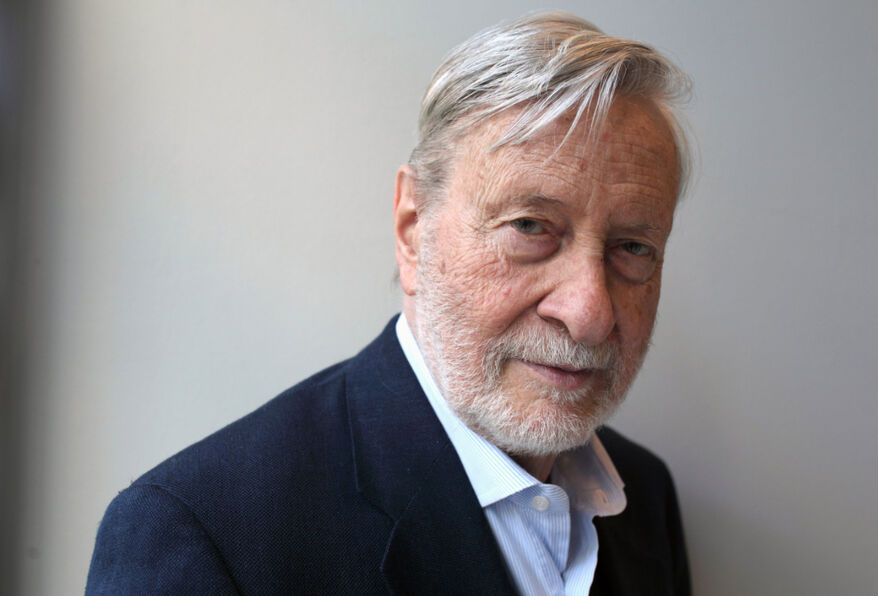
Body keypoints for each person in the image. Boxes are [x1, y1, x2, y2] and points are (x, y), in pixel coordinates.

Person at [87, 11, 692, 595]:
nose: (589, 314)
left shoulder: (644, 497)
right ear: (412, 228)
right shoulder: (203, 535)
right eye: (530, 226)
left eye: (633, 247)